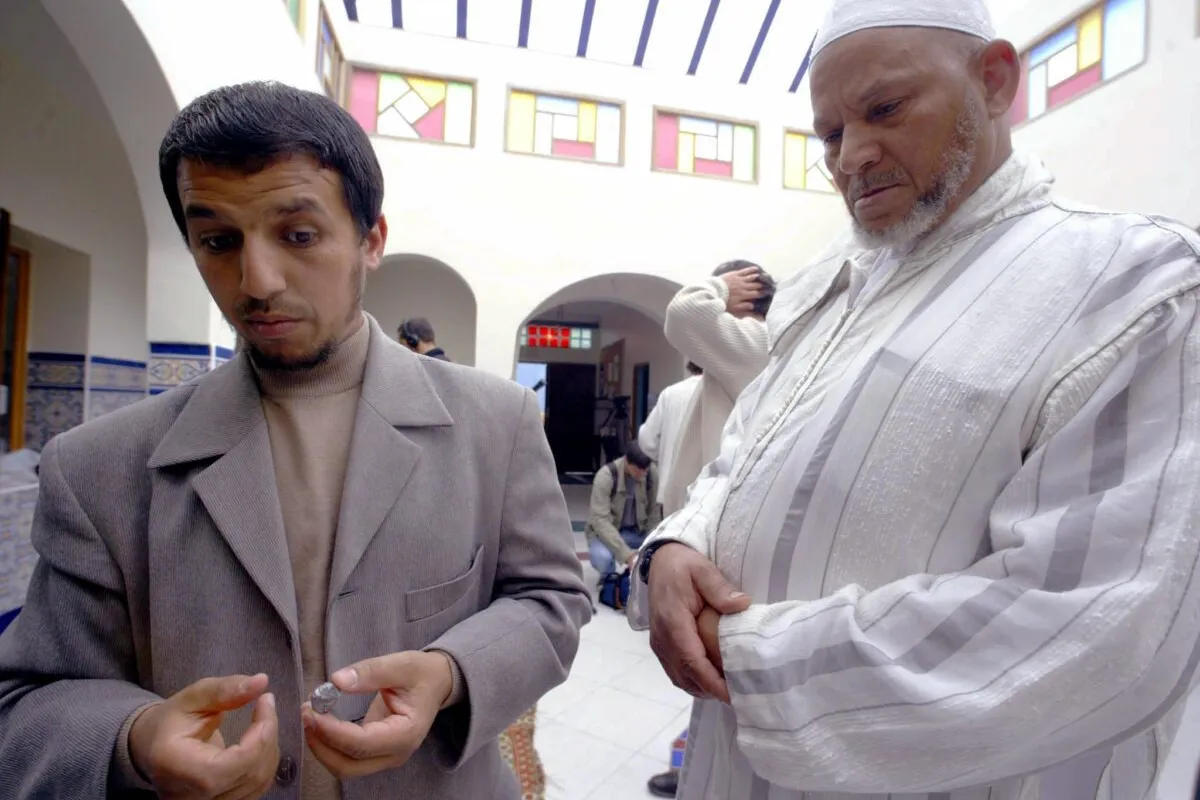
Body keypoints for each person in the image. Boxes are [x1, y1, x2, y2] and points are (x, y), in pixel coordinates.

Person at [629, 1, 1200, 798]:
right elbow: (741, 454)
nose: (852, 157)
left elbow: (1101, 627)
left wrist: (748, 652)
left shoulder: (1132, 285)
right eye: (830, 134)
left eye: (886, 109)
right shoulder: (829, 283)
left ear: (994, 81)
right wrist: (675, 545)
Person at [0, 82, 591, 800]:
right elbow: (27, 701)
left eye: (299, 235)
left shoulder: (495, 425)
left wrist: (449, 674)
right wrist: (137, 739)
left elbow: (553, 599)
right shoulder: (99, 468)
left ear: (372, 240)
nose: (257, 281)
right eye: (218, 241)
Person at [641, 263, 775, 798]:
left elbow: (685, 312)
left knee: (714, 667)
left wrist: (718, 288)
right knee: (701, 663)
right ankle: (696, 769)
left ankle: (697, 771)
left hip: (716, 533)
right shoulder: (723, 375)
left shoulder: (761, 349)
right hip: (693, 530)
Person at [585, 442, 661, 578]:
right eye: (638, 469)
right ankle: (608, 580)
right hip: (607, 534)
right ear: (627, 460)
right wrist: (627, 555)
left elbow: (654, 514)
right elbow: (600, 521)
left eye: (645, 469)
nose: (643, 474)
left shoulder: (651, 473)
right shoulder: (605, 476)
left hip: (638, 533)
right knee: (602, 558)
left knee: (662, 551)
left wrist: (653, 545)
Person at [636, 361, 702, 493]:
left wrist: (665, 456)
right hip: (707, 491)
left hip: (669, 488)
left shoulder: (670, 393)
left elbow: (646, 439)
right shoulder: (725, 393)